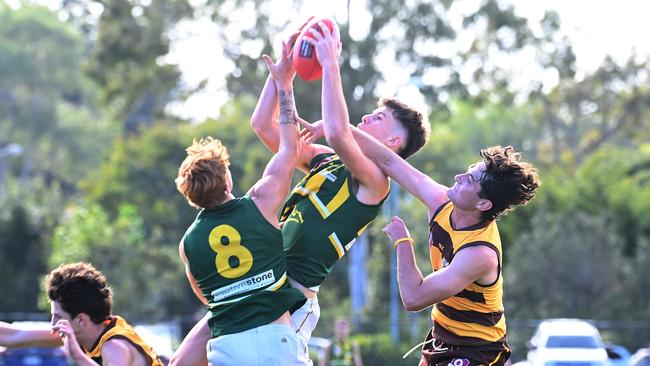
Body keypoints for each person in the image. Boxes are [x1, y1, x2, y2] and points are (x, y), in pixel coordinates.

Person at [169, 20, 430, 366]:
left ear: (394, 141)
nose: (367, 117)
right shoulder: (326, 160)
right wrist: (283, 76)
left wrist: (330, 64)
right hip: (254, 285)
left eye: (379, 118)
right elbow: (264, 125)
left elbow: (337, 130)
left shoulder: (375, 181)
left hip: (293, 296)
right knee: (180, 362)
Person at [338, 125, 540, 364]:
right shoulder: (441, 202)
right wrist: (339, 129)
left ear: (483, 204)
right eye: (467, 171)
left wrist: (403, 242)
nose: (458, 177)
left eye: (469, 180)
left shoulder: (479, 253)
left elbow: (414, 298)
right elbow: (390, 162)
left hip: (478, 350)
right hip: (441, 338)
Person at [171, 35, 307, 366]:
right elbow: (290, 147)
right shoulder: (260, 201)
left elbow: (207, 296)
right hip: (275, 337)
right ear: (227, 179)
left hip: (228, 346)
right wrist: (283, 84)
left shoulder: (188, 243)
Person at [48, 262, 164, 366]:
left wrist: (77, 356)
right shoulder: (96, 336)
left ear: (81, 320)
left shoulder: (114, 347)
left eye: (58, 317)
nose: (53, 324)